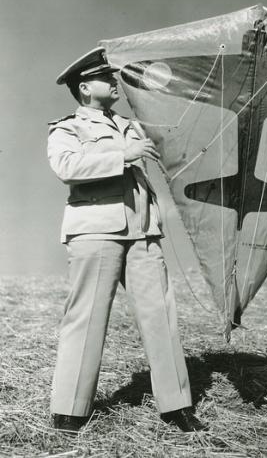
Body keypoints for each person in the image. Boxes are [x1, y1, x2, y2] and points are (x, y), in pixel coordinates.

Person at [48, 47, 204, 434]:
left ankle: (176, 407)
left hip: (143, 231)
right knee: (86, 319)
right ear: (85, 88)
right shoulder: (68, 128)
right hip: (96, 230)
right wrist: (124, 153)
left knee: (160, 317)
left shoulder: (131, 125)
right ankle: (69, 411)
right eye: (105, 77)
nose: (113, 81)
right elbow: (66, 167)